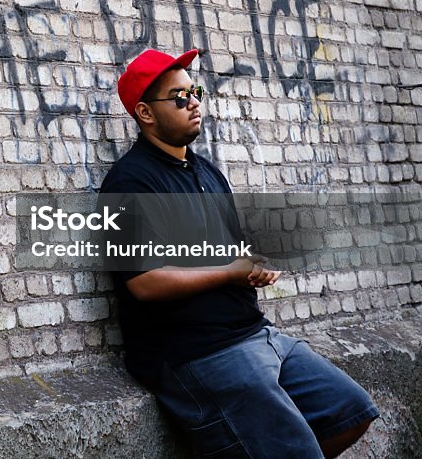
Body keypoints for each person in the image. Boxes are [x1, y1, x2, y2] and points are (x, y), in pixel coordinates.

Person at [99, 48, 379, 458]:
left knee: (350, 411)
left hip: (255, 333)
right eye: (179, 97)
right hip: (196, 352)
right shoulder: (129, 182)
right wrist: (231, 272)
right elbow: (145, 282)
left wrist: (252, 268)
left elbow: (226, 253)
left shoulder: (207, 172)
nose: (194, 101)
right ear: (145, 113)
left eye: (194, 91)